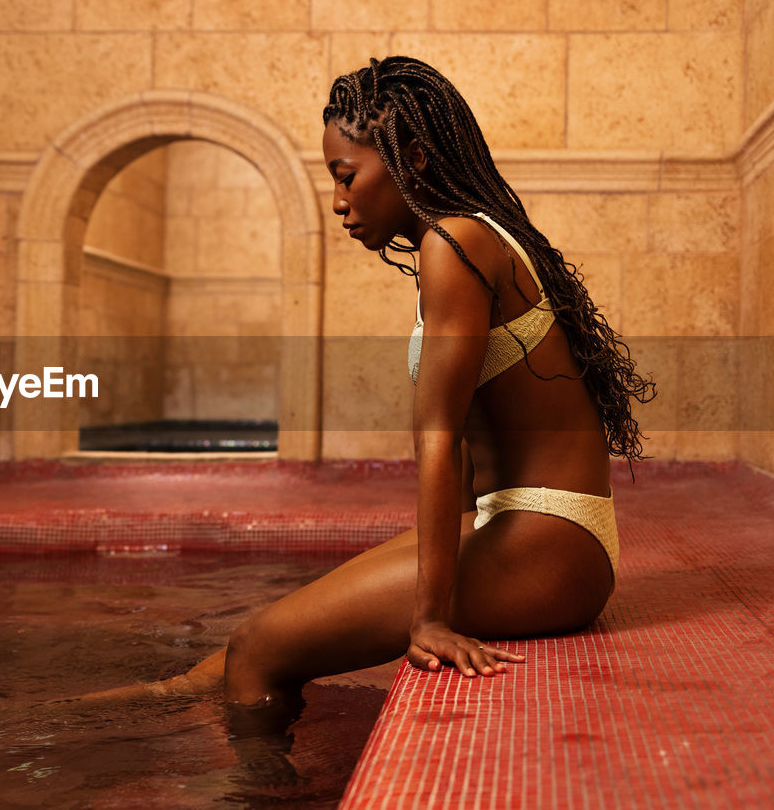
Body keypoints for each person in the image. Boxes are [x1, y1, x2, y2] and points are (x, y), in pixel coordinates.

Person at [83, 56, 655, 724]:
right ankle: (111, 710)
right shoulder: (473, 236)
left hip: (550, 547)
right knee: (235, 649)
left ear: (410, 158)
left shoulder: (456, 242)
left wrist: (430, 618)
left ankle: (249, 793)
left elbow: (439, 438)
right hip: (539, 531)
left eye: (345, 175)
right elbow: (477, 438)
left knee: (260, 650)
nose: (337, 201)